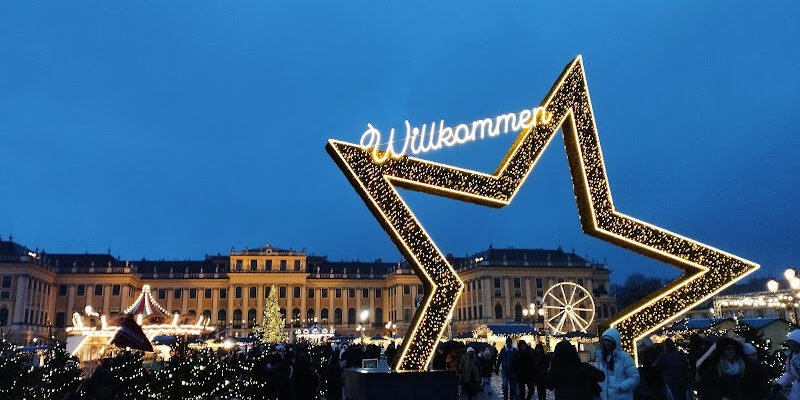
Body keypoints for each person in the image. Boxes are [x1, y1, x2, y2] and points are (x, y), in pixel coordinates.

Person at [596, 328, 640, 400]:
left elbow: (635, 377)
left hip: (621, 396)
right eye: (605, 341)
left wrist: (621, 387)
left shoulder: (624, 357)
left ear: (615, 342)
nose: (606, 343)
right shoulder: (601, 358)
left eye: (609, 341)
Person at [771, 329, 800, 400]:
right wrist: (779, 384)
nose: (793, 347)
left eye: (795, 345)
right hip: (797, 392)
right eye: (791, 345)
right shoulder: (791, 356)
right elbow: (790, 373)